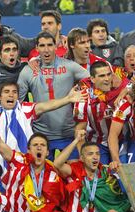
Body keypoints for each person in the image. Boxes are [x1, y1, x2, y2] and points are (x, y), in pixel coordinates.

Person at [31, 130, 130, 212]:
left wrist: (116, 170)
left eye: (97, 154)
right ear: (82, 158)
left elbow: (120, 192)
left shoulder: (104, 173)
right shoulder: (74, 170)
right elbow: (57, 164)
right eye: (90, 154)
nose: (95, 157)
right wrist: (76, 141)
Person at [17, 31, 89, 160]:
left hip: (68, 134)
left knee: (71, 175)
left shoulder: (70, 67)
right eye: (42, 46)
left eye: (50, 45)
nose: (46, 50)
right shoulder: (28, 71)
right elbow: (17, 105)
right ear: (36, 48)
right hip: (40, 136)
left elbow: (95, 80)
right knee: (42, 177)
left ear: (56, 46)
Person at [74, 61, 129, 164]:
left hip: (122, 140)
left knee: (123, 174)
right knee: (100, 175)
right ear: (92, 79)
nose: (107, 79)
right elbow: (80, 129)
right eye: (102, 76)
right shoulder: (84, 96)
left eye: (109, 74)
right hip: (98, 143)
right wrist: (83, 155)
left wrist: (126, 91)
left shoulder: (123, 88)